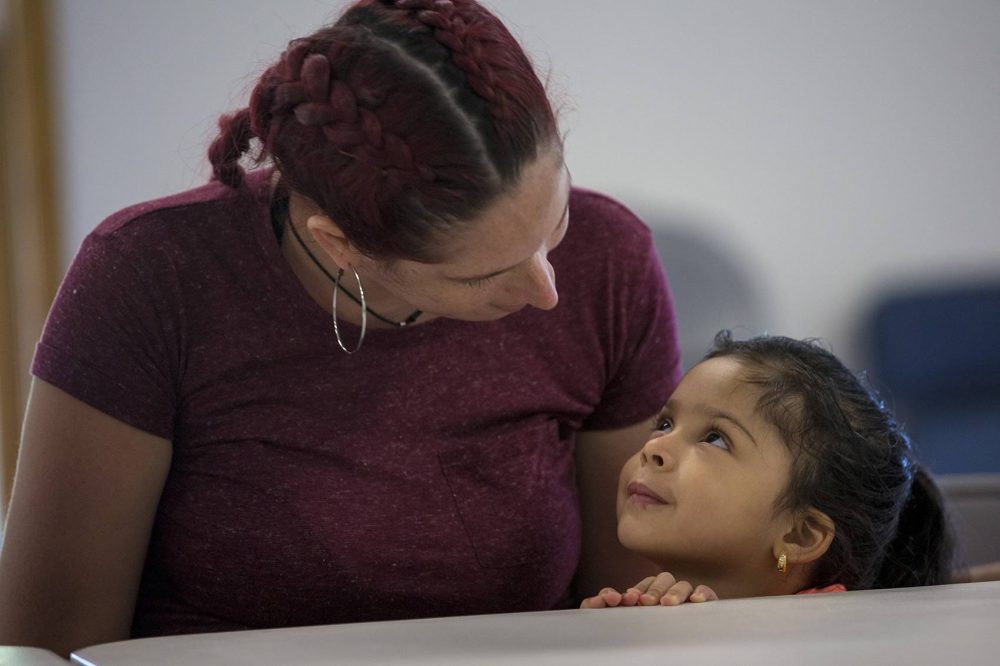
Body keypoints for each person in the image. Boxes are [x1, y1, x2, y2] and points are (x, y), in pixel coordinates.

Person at [0, 0, 680, 656]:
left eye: (552, 222)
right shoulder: (150, 278)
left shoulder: (611, 257)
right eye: (480, 276)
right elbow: (48, 647)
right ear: (340, 244)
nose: (547, 291)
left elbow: (628, 601)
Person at [581, 332, 955, 608]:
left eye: (715, 439)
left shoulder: (828, 641)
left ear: (799, 535)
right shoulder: (655, 608)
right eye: (664, 424)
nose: (654, 448)